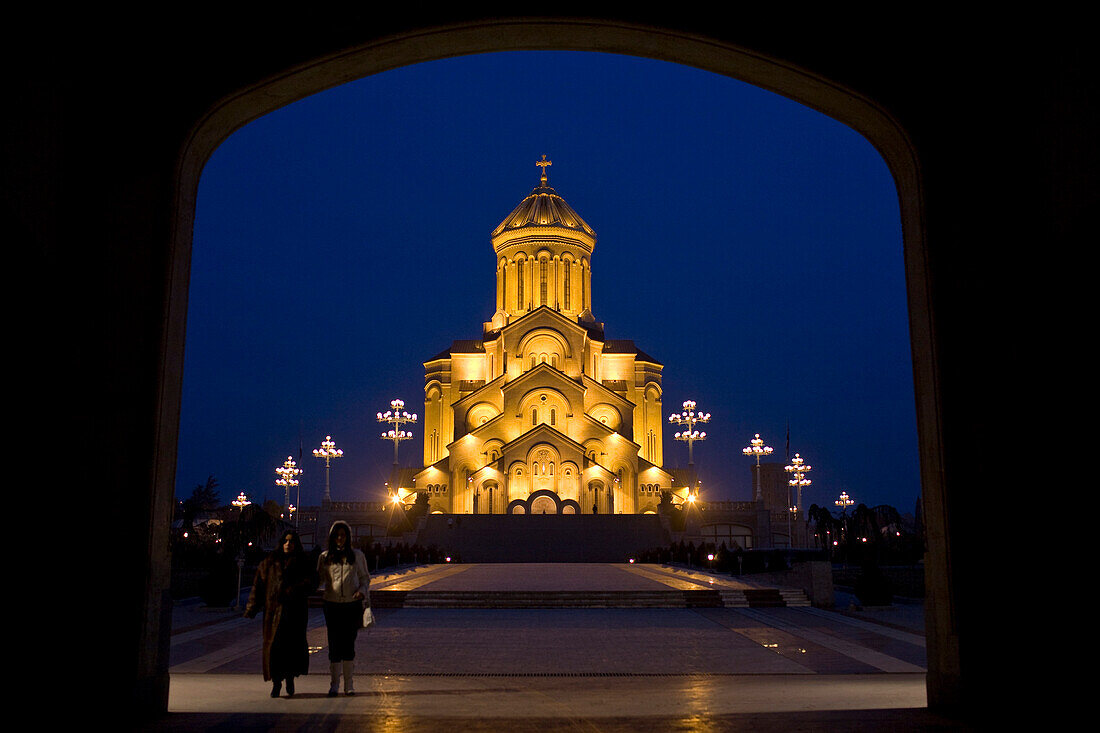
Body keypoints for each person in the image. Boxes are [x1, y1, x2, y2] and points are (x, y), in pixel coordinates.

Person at [244, 529, 315, 698]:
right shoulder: (270, 563)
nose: (288, 544)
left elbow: (312, 582)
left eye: (291, 541)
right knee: (275, 649)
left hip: (294, 613)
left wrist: (295, 590)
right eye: (286, 541)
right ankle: (277, 682)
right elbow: (258, 586)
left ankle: (290, 678)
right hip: (273, 614)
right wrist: (251, 608)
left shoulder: (302, 562)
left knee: (291, 648)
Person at [316, 520, 370, 696]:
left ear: (348, 537)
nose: (340, 538)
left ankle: (349, 684)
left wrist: (361, 592)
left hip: (351, 606)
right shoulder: (325, 557)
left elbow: (364, 579)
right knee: (334, 644)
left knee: (348, 645)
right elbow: (319, 580)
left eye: (343, 535)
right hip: (332, 605)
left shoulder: (357, 556)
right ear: (332, 538)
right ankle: (334, 684)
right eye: (337, 535)